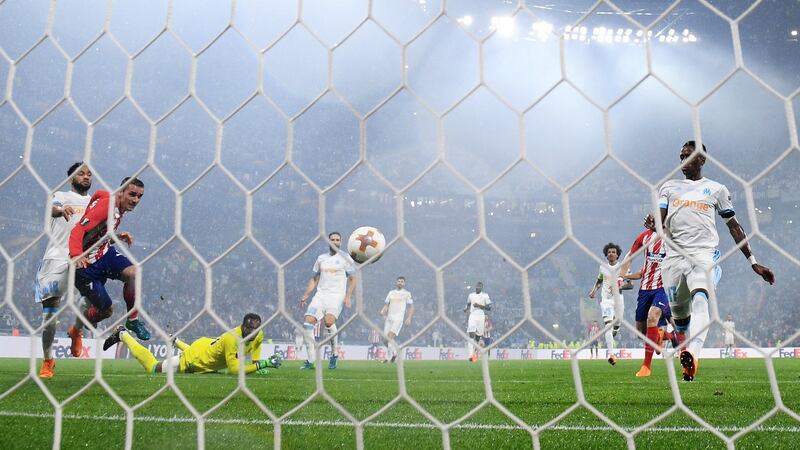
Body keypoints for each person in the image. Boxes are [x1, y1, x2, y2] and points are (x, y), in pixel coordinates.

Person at [658, 141, 774, 381]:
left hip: (703, 255)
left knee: (701, 299)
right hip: (673, 258)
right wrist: (654, 225)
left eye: (688, 156)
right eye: (681, 156)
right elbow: (660, 224)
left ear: (701, 160)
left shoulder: (716, 189)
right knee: (680, 319)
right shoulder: (668, 188)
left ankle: (694, 356)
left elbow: (734, 226)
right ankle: (684, 345)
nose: (683, 161)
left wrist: (753, 261)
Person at [69, 177, 152, 340]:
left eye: (139, 196)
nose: (135, 200)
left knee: (135, 273)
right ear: (121, 192)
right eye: (132, 194)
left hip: (104, 253)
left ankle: (133, 320)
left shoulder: (118, 206)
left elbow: (98, 231)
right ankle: (89, 316)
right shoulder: (106, 206)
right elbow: (78, 230)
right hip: (85, 267)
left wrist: (117, 236)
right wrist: (76, 255)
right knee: (106, 311)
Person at [34, 163, 92, 378]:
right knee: (49, 314)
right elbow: (52, 208)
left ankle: (76, 330)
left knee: (94, 299)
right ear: (71, 178)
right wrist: (60, 210)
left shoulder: (94, 202)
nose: (86, 177)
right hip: (57, 256)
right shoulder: (60, 195)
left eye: (89, 174)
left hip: (83, 257)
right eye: (81, 174)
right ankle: (48, 360)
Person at [103, 313, 280, 374]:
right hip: (192, 359)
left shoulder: (258, 334)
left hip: (205, 347)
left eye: (254, 331)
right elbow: (234, 370)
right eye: (248, 330)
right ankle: (124, 335)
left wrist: (257, 363)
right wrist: (264, 364)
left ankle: (176, 341)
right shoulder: (232, 338)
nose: (251, 334)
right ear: (242, 326)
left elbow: (256, 345)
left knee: (209, 355)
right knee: (152, 367)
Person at [618, 214, 672, 377]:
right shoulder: (644, 237)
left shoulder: (672, 237)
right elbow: (629, 257)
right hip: (645, 288)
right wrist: (621, 276)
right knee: (641, 331)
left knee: (652, 317)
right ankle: (663, 335)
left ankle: (646, 367)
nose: (650, 222)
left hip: (663, 288)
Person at [299, 232, 356, 370]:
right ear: (328, 241)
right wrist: (306, 294)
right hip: (321, 295)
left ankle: (334, 355)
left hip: (336, 296)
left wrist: (348, 296)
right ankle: (311, 360)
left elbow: (353, 279)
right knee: (307, 322)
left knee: (329, 322)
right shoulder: (321, 258)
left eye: (337, 240)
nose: (335, 242)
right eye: (332, 239)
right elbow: (314, 278)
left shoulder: (345, 258)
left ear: (340, 242)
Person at [588, 243, 625, 365]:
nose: (611, 254)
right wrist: (594, 290)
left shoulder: (622, 267)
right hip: (606, 301)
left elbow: (630, 284)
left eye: (613, 252)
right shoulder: (602, 267)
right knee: (608, 325)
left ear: (617, 254)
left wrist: (620, 285)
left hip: (619, 300)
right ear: (606, 254)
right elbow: (599, 280)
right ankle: (611, 354)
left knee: (617, 325)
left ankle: (612, 335)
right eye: (609, 252)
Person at [379, 276, 414, 363]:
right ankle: (395, 352)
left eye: (402, 282)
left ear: (404, 284)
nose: (400, 283)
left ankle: (387, 358)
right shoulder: (391, 293)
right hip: (389, 318)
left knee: (390, 337)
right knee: (384, 340)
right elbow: (386, 304)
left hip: (398, 319)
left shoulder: (407, 294)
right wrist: (383, 310)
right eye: (399, 281)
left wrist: (409, 317)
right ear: (396, 282)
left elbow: (411, 307)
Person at [464, 281, 491, 362]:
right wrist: (466, 308)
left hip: (481, 315)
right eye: (477, 286)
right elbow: (468, 304)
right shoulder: (470, 295)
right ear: (475, 286)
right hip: (472, 315)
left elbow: (489, 307)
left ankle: (474, 353)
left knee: (478, 337)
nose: (478, 287)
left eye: (480, 286)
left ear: (482, 287)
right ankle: (470, 355)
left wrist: (479, 305)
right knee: (471, 333)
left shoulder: (485, 295)